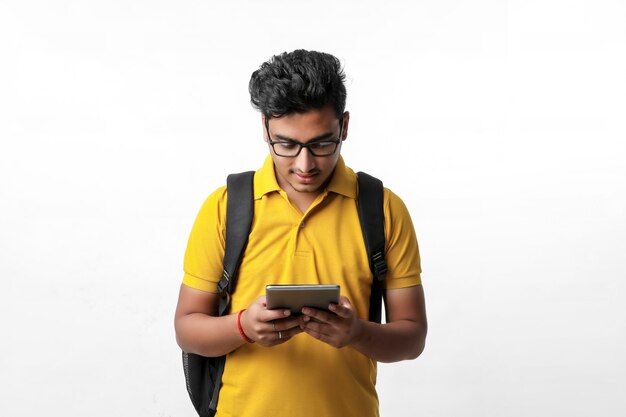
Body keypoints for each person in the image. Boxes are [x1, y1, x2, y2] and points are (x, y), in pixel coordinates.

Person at [175, 49, 427, 417]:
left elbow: (412, 336)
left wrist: (356, 333)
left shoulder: (383, 208)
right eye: (287, 144)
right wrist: (244, 326)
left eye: (322, 143)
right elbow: (187, 329)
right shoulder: (226, 206)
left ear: (345, 126)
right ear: (265, 128)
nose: (304, 164)